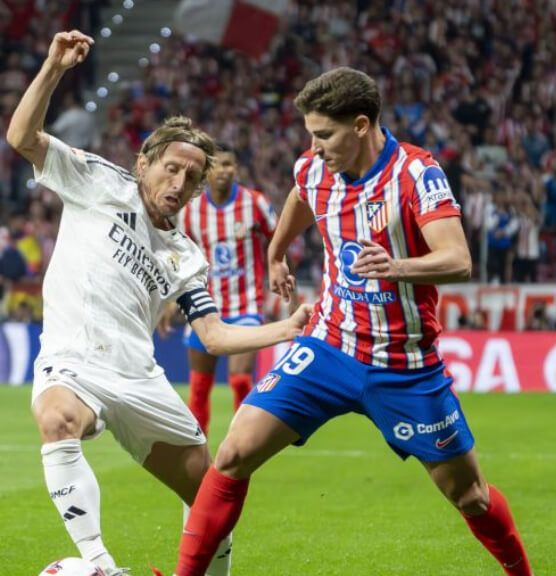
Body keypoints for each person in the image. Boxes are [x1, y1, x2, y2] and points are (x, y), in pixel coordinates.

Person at [170, 68, 532, 575]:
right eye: (310, 135)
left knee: (469, 495)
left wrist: (397, 265)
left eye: (323, 135)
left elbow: (458, 259)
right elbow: (302, 191)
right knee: (233, 452)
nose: (314, 148)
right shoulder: (315, 169)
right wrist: (277, 252)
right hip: (329, 346)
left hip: (404, 364)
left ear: (361, 125)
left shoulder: (415, 174)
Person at [5, 31, 311, 576]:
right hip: (74, 360)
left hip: (139, 379)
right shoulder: (98, 181)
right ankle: (100, 565)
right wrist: (54, 67)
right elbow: (22, 136)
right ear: (144, 161)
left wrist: (287, 329)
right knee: (57, 419)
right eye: (171, 167)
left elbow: (214, 335)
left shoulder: (186, 256)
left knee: (215, 494)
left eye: (191, 177)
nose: (179, 181)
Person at [172, 144, 278, 434]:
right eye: (217, 165)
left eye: (229, 164)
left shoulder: (255, 203)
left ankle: (242, 446)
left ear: (236, 169)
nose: (223, 171)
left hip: (247, 305)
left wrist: (279, 271)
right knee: (199, 387)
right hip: (204, 308)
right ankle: (198, 452)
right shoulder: (191, 211)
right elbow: (177, 254)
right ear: (207, 171)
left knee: (240, 379)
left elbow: (279, 239)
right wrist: (169, 300)